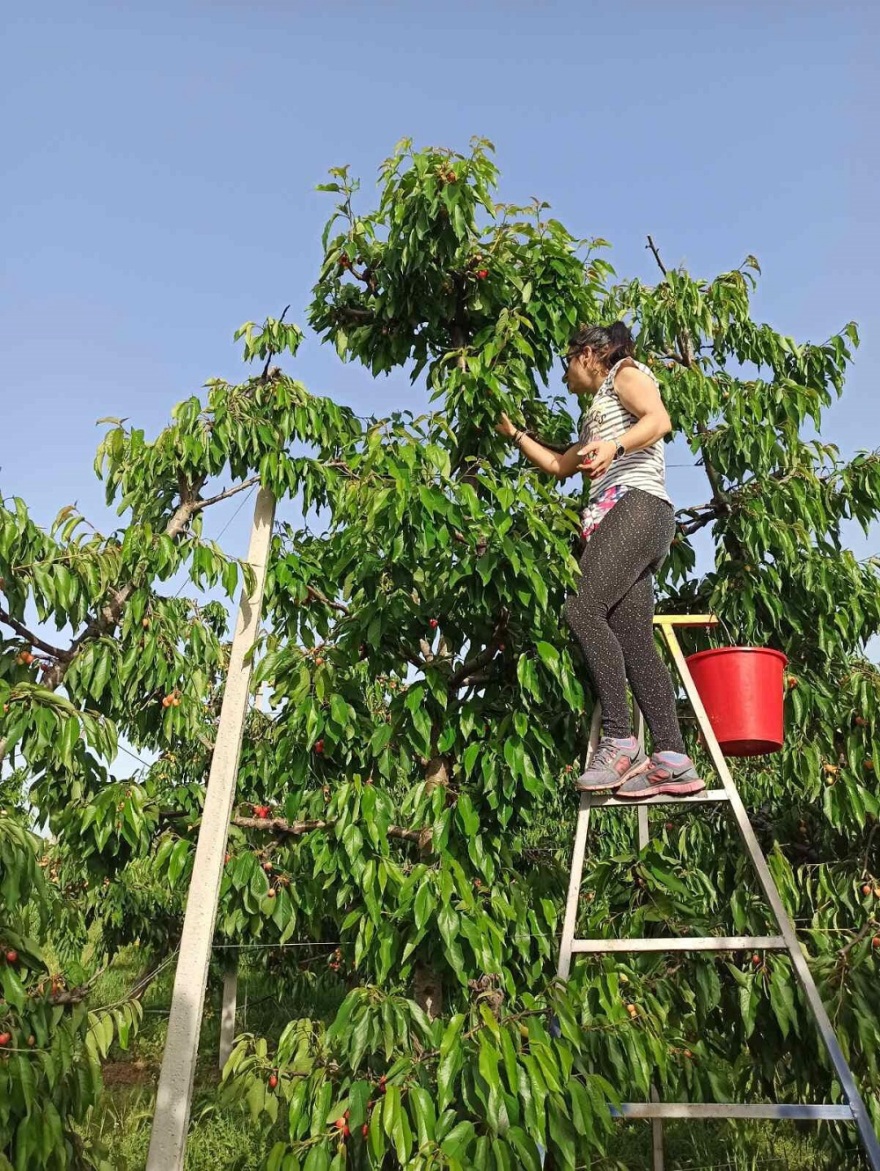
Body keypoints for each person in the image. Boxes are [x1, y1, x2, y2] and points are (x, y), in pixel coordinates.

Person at [496, 322, 705, 800]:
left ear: (588, 354)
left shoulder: (624, 374)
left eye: (567, 361)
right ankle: (672, 758)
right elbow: (558, 465)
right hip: (628, 519)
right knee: (633, 640)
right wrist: (514, 433)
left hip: (638, 506)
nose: (565, 374)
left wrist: (617, 446)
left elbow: (658, 419)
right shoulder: (595, 417)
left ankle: (619, 741)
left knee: (581, 609)